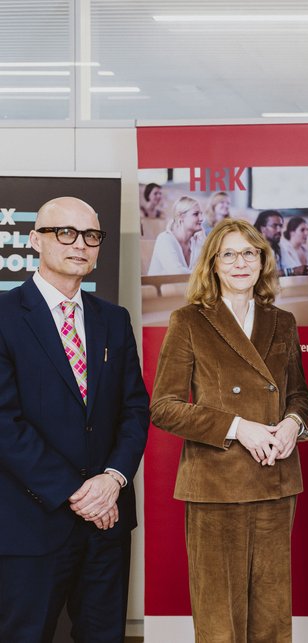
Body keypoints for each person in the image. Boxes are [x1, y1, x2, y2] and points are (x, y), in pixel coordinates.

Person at [150, 218, 308, 642]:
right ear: (213, 264)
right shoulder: (189, 320)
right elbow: (164, 408)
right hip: (215, 485)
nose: (240, 263)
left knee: (272, 618)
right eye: (229, 254)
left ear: (262, 260)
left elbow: (299, 396)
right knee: (219, 620)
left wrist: (293, 425)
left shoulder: (282, 321)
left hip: (275, 481)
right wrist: (238, 427)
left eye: (249, 253)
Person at [0, 197, 149, 642]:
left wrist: (113, 479)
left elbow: (134, 408)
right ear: (34, 239)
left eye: (91, 235)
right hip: (31, 523)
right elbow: (5, 423)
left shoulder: (113, 319)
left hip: (107, 522)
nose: (80, 244)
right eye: (65, 232)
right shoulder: (5, 316)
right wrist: (77, 492)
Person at [147, 195, 205, 275]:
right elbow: (177, 273)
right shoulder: (164, 239)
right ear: (181, 216)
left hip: (184, 283)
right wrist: (202, 274)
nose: (201, 218)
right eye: (196, 214)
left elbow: (207, 269)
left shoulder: (197, 241)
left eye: (201, 214)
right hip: (163, 284)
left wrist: (204, 241)